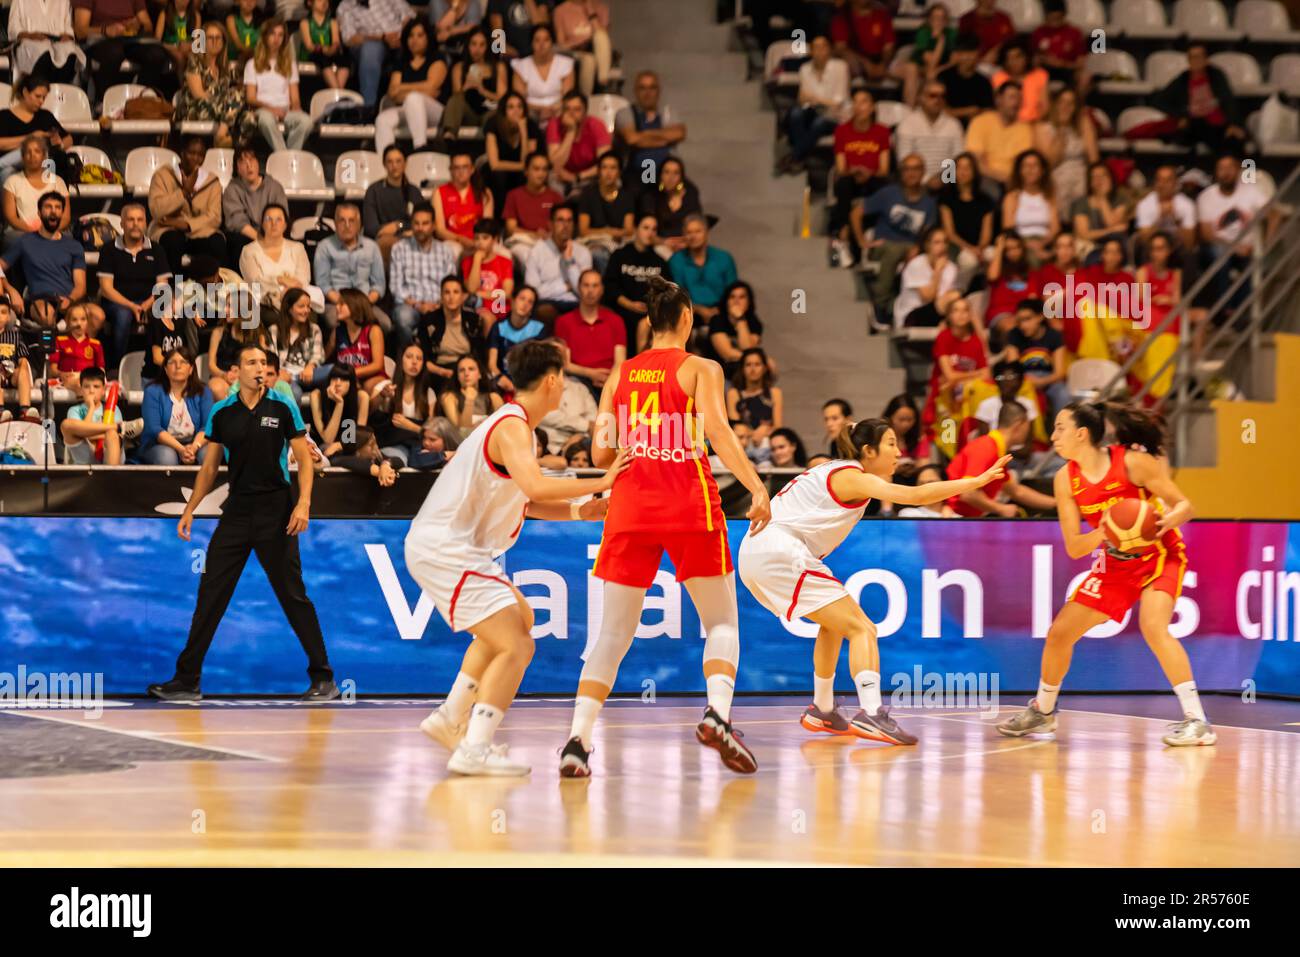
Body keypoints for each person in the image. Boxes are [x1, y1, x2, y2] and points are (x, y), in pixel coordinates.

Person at [558, 275, 772, 778]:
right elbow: (717, 432)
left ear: (650, 323)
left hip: (630, 506)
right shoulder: (701, 367)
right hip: (688, 503)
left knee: (611, 635)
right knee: (721, 623)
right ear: (687, 320)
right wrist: (757, 486)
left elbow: (601, 454)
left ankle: (576, 741)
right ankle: (718, 714)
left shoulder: (620, 374)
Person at [406, 338, 625, 776]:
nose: (564, 387)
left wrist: (585, 510)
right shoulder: (512, 427)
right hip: (447, 548)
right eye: (563, 378)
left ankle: (451, 716)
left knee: (519, 620)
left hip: (453, 548)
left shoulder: (513, 426)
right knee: (518, 644)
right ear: (551, 380)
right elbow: (540, 486)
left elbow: (529, 500)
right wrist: (602, 478)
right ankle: (474, 747)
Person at [740, 419, 1009, 743]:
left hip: (762, 552)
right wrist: (975, 481)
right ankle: (871, 713)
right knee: (862, 628)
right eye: (891, 443)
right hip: (779, 551)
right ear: (868, 450)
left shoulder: (842, 470)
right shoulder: (853, 476)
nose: (898, 451)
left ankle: (822, 709)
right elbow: (915, 495)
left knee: (835, 625)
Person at [997, 402, 1216, 747]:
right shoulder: (1064, 479)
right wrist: (1107, 529)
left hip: (1159, 554)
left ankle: (1197, 721)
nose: (1052, 436)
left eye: (1059, 428)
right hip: (1114, 563)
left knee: (1154, 627)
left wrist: (1171, 518)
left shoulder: (1131, 462)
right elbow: (1074, 547)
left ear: (1081, 434)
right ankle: (1043, 711)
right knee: (1059, 634)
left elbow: (1185, 505)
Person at [147, 343, 338, 702]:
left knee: (293, 595)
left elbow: (303, 457)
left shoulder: (282, 406)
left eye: (264, 362)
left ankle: (323, 678)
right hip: (236, 512)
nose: (259, 368)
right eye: (251, 362)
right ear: (236, 372)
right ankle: (187, 681)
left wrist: (304, 504)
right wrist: (190, 509)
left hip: (277, 512)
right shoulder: (222, 413)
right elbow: (209, 467)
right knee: (210, 594)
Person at [855, 154, 937, 322]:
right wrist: (861, 241)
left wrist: (918, 248)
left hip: (911, 248)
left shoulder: (929, 203)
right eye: (906, 169)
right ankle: (880, 304)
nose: (911, 173)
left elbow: (927, 234)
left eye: (915, 169)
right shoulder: (888, 193)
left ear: (923, 172)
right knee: (894, 250)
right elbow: (855, 213)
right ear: (901, 173)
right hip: (883, 246)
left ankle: (910, 312)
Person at [98, 202, 171, 372]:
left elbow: (162, 286)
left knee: (163, 314)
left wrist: (146, 305)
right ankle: (116, 367)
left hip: (148, 301)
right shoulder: (108, 250)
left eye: (140, 219)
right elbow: (106, 288)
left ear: (146, 223)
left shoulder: (157, 249)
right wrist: (131, 306)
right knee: (123, 316)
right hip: (117, 302)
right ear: (122, 224)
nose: (135, 224)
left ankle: (157, 367)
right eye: (130, 220)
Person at [946, 402, 1054, 515]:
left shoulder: (997, 451)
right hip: (954, 518)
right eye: (1028, 425)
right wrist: (1000, 508)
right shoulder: (986, 448)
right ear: (1018, 425)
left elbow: (1017, 492)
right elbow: (968, 493)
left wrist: (1056, 503)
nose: (1029, 432)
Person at [0, 191, 85, 330]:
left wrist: (70, 300)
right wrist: (11, 291)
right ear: (39, 213)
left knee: (97, 315)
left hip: (69, 301)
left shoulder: (74, 246)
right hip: (39, 300)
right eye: (48, 207)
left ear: (62, 213)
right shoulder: (25, 241)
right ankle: (49, 351)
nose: (53, 211)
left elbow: (81, 285)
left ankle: (80, 351)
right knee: (46, 314)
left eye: (58, 207)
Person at [827, 89, 892, 267]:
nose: (858, 106)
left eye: (863, 102)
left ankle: (878, 234)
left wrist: (869, 173)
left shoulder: (882, 132)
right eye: (855, 102)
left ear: (872, 108)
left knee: (884, 185)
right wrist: (854, 171)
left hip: (873, 178)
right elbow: (841, 168)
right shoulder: (842, 131)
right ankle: (844, 233)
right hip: (851, 179)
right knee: (843, 184)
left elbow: (884, 169)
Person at [148, 136, 225, 273]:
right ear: (182, 152)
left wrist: (186, 225)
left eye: (200, 155)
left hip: (198, 231)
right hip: (167, 230)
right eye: (191, 153)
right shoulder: (162, 176)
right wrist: (183, 192)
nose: (195, 158)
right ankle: (174, 289)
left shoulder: (212, 181)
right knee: (173, 241)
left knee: (216, 241)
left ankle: (209, 290)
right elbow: (157, 210)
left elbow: (215, 217)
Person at [1152, 43, 1246, 155]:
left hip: (1217, 124)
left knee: (1235, 141)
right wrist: (1180, 115)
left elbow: (1228, 100)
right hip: (1194, 124)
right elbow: (1159, 101)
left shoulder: (1216, 76)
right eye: (1191, 57)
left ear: (1206, 59)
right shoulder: (1183, 79)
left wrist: (1233, 124)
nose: (1194, 61)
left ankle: (1242, 170)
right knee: (1194, 128)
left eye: (1198, 57)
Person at [73, 0, 176, 99]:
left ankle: (139, 98)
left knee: (157, 54)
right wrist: (106, 30)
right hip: (100, 39)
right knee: (114, 53)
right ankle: (103, 99)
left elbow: (148, 25)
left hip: (130, 40)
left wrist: (138, 26)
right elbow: (80, 30)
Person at [374, 19, 448, 156]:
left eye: (420, 35)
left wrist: (403, 88)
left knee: (413, 99)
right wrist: (422, 88)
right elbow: (393, 93)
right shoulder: (401, 62)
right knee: (382, 119)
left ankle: (420, 148)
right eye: (411, 36)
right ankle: (387, 163)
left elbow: (432, 87)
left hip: (436, 112)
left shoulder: (437, 58)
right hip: (408, 109)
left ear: (428, 37)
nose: (415, 40)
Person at [314, 202, 390, 334]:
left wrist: (361, 305)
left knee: (385, 324)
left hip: (365, 303)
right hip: (335, 304)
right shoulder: (324, 247)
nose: (347, 225)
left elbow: (379, 285)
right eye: (342, 220)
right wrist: (345, 304)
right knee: (334, 322)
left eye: (352, 221)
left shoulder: (371, 247)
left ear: (359, 224)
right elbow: (323, 284)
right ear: (335, 223)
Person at [390, 201, 459, 345]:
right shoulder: (399, 248)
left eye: (425, 223)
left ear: (433, 225)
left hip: (439, 306)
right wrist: (418, 305)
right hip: (410, 306)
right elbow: (396, 288)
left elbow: (451, 284)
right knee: (403, 317)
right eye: (416, 223)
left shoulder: (445, 251)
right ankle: (410, 357)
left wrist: (438, 305)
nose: (420, 228)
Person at [781, 34, 850, 173]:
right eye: (816, 47)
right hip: (814, 112)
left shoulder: (840, 67)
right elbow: (803, 100)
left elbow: (838, 103)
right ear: (811, 51)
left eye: (824, 46)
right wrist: (815, 100)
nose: (820, 50)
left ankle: (796, 157)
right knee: (795, 113)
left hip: (836, 116)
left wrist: (814, 98)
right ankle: (799, 157)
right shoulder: (804, 69)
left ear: (829, 50)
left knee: (819, 122)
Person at [554, 268, 625, 398]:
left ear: (602, 289)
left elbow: (620, 361)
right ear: (579, 288)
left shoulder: (615, 320)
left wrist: (609, 381)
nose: (590, 290)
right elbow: (566, 364)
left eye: (595, 285)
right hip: (577, 380)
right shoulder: (564, 321)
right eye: (586, 285)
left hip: (610, 381)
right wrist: (591, 374)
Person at [138, 346, 215, 465]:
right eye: (172, 362)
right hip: (159, 445)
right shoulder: (152, 391)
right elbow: (155, 429)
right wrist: (181, 449)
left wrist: (193, 447)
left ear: (191, 369)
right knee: (167, 457)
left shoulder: (204, 391)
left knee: (208, 454)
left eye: (183, 362)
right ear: (165, 369)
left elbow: (207, 427)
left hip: (195, 443)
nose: (178, 366)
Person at [179, 21, 250, 149]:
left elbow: (241, 89)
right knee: (235, 95)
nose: (214, 41)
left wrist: (228, 100)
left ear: (223, 42)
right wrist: (226, 100)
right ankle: (221, 138)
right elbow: (199, 95)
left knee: (249, 117)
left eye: (218, 38)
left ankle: (237, 152)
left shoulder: (225, 68)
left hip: (220, 112)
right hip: (196, 109)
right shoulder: (194, 61)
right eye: (210, 38)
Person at [245, 17, 311, 151]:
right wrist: (271, 109)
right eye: (273, 34)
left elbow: (295, 98)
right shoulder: (252, 64)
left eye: (280, 35)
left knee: (307, 121)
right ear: (265, 37)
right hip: (263, 110)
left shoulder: (290, 64)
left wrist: (296, 109)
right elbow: (251, 98)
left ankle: (289, 154)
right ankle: (284, 157)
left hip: (285, 110)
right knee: (266, 120)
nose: (276, 39)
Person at [602, 212, 666, 349]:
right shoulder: (619, 256)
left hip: (649, 313)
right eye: (646, 227)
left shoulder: (659, 261)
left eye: (654, 229)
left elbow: (666, 290)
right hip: (622, 309)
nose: (650, 232)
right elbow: (610, 286)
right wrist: (630, 304)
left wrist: (651, 308)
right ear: (636, 229)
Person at [615, 69, 686, 189]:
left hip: (665, 177)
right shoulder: (625, 113)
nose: (648, 93)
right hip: (636, 177)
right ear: (636, 91)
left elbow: (679, 133)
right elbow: (632, 139)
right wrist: (664, 138)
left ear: (658, 91)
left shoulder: (667, 113)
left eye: (652, 88)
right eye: (642, 88)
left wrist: (643, 135)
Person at [0, 76, 74, 189]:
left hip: (42, 164)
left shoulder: (45, 116)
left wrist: (60, 145)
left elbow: (68, 138)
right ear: (25, 92)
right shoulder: (4, 116)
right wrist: (31, 137)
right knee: (8, 173)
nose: (41, 101)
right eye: (38, 96)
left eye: (44, 97)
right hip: (14, 166)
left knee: (40, 153)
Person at [338, 0, 416, 106]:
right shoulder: (345, 7)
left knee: (416, 37)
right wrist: (382, 37)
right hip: (373, 43)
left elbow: (409, 14)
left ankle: (414, 102)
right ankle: (368, 108)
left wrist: (400, 36)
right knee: (371, 49)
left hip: (400, 36)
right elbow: (349, 38)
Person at [223, 148, 290, 269]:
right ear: (237, 168)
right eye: (243, 162)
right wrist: (261, 240)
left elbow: (282, 216)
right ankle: (242, 286)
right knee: (237, 243)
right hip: (247, 236)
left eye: (252, 159)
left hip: (272, 232)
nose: (249, 165)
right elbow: (238, 222)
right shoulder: (232, 189)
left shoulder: (274, 187)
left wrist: (270, 238)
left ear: (258, 163)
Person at [1036, 87, 1097, 219]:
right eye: (1062, 102)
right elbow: (1049, 163)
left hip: (1081, 176)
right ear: (1055, 104)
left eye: (1070, 103)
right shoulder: (1042, 128)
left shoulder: (1083, 124)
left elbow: (1094, 160)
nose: (1066, 107)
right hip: (1056, 176)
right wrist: (1061, 131)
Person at [415, 274, 487, 385]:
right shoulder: (429, 321)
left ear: (463, 296)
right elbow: (423, 357)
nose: (451, 297)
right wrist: (441, 371)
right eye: (447, 292)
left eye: (456, 292)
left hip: (465, 370)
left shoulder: (473, 320)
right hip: (438, 371)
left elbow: (480, 354)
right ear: (441, 296)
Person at [524, 203, 591, 322]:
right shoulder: (536, 252)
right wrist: (565, 287)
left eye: (569, 221)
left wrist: (570, 262)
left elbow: (586, 293)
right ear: (550, 224)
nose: (565, 225)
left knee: (605, 313)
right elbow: (532, 293)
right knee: (546, 312)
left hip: (576, 303)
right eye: (560, 220)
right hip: (548, 303)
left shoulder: (583, 252)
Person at [239, 203, 312, 312]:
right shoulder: (249, 251)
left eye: (279, 219)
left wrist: (287, 293)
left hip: (296, 302)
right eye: (268, 219)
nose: (273, 224)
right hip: (264, 304)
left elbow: (302, 280)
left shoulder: (297, 248)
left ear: (285, 225)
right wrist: (280, 279)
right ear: (262, 224)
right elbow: (255, 283)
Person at [2, 135, 71, 250]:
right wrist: (34, 230)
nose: (32, 155)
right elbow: (11, 218)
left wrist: (47, 230)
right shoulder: (12, 181)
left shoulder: (58, 182)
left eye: (37, 151)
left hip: (53, 230)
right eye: (28, 152)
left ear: (44, 156)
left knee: (67, 238)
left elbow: (65, 218)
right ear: (23, 157)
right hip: (23, 231)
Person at [938, 151, 995, 290]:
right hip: (957, 246)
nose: (963, 171)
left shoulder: (985, 200)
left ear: (974, 172)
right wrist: (971, 249)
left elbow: (987, 233)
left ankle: (991, 295)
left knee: (994, 254)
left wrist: (979, 249)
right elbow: (949, 233)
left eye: (968, 167)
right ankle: (958, 291)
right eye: (959, 167)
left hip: (980, 246)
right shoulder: (946, 198)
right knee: (969, 260)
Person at [666, 214, 736, 324]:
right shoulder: (676, 260)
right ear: (684, 235)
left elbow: (734, 291)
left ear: (707, 232)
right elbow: (677, 295)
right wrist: (699, 309)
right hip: (689, 312)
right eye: (689, 232)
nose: (693, 236)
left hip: (721, 311)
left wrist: (722, 310)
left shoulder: (724, 258)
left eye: (698, 231)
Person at [965, 81, 1033, 193]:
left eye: (1019, 98)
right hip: (986, 177)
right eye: (1012, 97)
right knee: (990, 189)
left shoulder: (1025, 129)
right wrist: (1002, 177)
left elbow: (1022, 163)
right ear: (998, 100)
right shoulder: (980, 122)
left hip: (1014, 180)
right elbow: (976, 162)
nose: (1016, 103)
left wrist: (1014, 180)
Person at [372, 341, 435, 463]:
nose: (414, 362)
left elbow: (431, 432)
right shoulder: (385, 385)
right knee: (397, 458)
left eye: (419, 359)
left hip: (416, 444)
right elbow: (367, 411)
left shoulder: (428, 393)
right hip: (390, 442)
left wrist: (410, 426)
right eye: (409, 356)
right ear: (401, 360)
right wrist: (381, 396)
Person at [1005, 297, 1070, 415]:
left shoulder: (1054, 336)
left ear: (1040, 317)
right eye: (1020, 321)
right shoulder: (1014, 335)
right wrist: (1027, 381)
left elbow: (1060, 373)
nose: (1023, 325)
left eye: (1028, 319)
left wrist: (1041, 382)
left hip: (1049, 380)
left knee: (1063, 394)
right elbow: (1013, 368)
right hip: (1024, 379)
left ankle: (1062, 429)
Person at [896, 82, 963, 190]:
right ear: (920, 98)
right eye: (933, 95)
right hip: (914, 183)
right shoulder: (907, 124)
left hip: (947, 184)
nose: (938, 100)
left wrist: (944, 180)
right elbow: (904, 160)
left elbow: (957, 158)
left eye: (942, 96)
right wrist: (926, 180)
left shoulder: (954, 125)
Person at [442, 26, 508, 134]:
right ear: (468, 45)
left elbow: (503, 98)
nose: (477, 49)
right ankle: (449, 136)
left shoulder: (498, 67)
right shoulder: (459, 67)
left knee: (495, 115)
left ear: (487, 47)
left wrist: (482, 90)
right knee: (456, 100)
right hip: (468, 114)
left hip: (489, 112)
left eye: (482, 45)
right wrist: (465, 87)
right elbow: (455, 100)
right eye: (473, 44)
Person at [364, 146, 425, 264]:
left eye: (398, 161)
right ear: (384, 164)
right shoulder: (374, 191)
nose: (394, 166)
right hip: (384, 241)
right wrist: (403, 229)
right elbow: (371, 229)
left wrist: (398, 226)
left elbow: (422, 221)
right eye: (390, 161)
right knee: (386, 243)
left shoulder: (414, 191)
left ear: (405, 163)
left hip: (412, 237)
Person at [484, 91, 540, 210]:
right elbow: (494, 164)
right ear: (504, 111)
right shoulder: (493, 124)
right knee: (499, 176)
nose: (516, 111)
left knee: (527, 176)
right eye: (511, 107)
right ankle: (500, 220)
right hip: (498, 170)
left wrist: (523, 131)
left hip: (518, 171)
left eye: (520, 106)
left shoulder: (530, 125)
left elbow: (528, 160)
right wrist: (522, 166)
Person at [546, 90, 612, 192]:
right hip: (563, 175)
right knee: (552, 178)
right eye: (567, 109)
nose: (571, 114)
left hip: (590, 176)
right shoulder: (554, 124)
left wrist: (577, 177)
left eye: (577, 109)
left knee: (611, 177)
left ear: (585, 112)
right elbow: (556, 164)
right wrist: (571, 132)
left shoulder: (596, 125)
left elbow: (605, 163)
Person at [60, 365, 126, 464]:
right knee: (66, 424)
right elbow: (80, 433)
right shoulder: (74, 410)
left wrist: (90, 434)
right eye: (86, 387)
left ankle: (113, 476)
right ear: (81, 389)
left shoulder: (114, 409)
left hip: (107, 454)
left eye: (96, 387)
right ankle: (117, 426)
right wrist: (91, 408)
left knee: (112, 434)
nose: (91, 391)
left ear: (103, 390)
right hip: (84, 455)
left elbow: (119, 437)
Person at [9, 0, 85, 84]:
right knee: (43, 51)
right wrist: (30, 36)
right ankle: (40, 90)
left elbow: (68, 25)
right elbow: (13, 27)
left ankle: (60, 88)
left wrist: (68, 36)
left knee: (70, 51)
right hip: (29, 41)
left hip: (57, 42)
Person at [1002, 149, 1058, 262]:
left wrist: (1041, 244)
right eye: (1026, 166)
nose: (1030, 169)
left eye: (1034, 165)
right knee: (1033, 257)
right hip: (1020, 243)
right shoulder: (1012, 197)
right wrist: (1028, 245)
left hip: (1045, 241)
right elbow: (1008, 228)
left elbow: (1055, 228)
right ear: (1020, 171)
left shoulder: (1049, 197)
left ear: (1042, 171)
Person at [326, 287, 387, 392]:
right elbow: (323, 357)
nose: (337, 307)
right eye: (337, 304)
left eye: (341, 304)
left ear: (355, 306)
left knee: (366, 388)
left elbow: (378, 365)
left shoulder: (373, 330)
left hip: (372, 377)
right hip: (346, 378)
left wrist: (351, 373)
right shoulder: (337, 332)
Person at [503, 151, 562, 257]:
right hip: (523, 242)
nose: (541, 174)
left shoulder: (555, 197)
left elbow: (562, 225)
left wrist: (549, 235)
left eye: (544, 169)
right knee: (527, 255)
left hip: (549, 241)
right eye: (536, 169)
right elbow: (511, 228)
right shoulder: (514, 195)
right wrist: (534, 234)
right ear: (526, 171)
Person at [727, 347, 782, 461]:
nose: (753, 369)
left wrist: (764, 431)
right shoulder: (734, 393)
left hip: (766, 442)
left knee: (772, 443)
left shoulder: (774, 393)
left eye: (757, 364)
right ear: (742, 368)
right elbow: (735, 426)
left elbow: (778, 427)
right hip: (742, 442)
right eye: (748, 365)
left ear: (765, 368)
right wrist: (755, 433)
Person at [510, 23, 574, 119]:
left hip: (558, 111)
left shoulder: (565, 64)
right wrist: (541, 110)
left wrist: (553, 109)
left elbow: (567, 97)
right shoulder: (520, 66)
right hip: (530, 112)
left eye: (546, 40)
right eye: (537, 40)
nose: (541, 44)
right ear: (531, 43)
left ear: (552, 42)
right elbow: (519, 101)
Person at [637, 156, 701, 252]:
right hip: (658, 245)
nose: (670, 178)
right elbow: (645, 231)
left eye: (676, 173)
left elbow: (697, 224)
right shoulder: (651, 196)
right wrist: (664, 242)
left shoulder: (690, 195)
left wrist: (686, 242)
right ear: (660, 175)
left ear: (681, 177)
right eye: (666, 172)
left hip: (686, 245)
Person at [486, 286, 543, 390]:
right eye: (522, 298)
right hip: (503, 382)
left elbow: (540, 367)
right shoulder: (499, 327)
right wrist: (500, 378)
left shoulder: (539, 330)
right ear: (512, 301)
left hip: (529, 385)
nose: (525, 304)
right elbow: (491, 364)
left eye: (530, 302)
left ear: (532, 309)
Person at [706, 280, 765, 379]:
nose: (736, 301)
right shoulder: (717, 320)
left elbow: (747, 348)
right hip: (719, 370)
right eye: (732, 297)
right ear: (726, 301)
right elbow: (727, 354)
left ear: (749, 302)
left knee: (769, 366)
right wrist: (757, 360)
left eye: (742, 297)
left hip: (743, 370)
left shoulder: (754, 322)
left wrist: (740, 319)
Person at [275, 287, 325, 402]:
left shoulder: (314, 329)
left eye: (308, 306)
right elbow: (271, 356)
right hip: (286, 376)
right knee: (295, 393)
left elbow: (318, 355)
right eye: (301, 306)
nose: (306, 310)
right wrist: (279, 371)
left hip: (308, 374)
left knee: (336, 371)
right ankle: (297, 421)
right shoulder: (275, 330)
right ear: (289, 308)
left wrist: (311, 366)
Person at [553, 0, 611, 97]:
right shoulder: (561, 10)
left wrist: (591, 11)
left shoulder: (601, 8)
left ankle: (603, 80)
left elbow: (603, 37)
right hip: (574, 50)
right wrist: (579, 43)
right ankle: (585, 98)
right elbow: (561, 44)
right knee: (589, 60)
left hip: (595, 49)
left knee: (600, 35)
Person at [310, 361, 367, 456]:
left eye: (344, 379)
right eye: (334, 378)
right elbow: (328, 439)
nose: (338, 383)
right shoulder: (317, 395)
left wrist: (339, 445)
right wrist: (339, 403)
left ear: (351, 382)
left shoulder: (361, 397)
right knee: (330, 452)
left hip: (350, 445)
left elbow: (360, 437)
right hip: (322, 446)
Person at [462, 217, 514, 322]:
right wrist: (477, 260)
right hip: (476, 310)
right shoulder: (467, 262)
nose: (480, 242)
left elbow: (506, 293)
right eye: (477, 238)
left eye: (485, 238)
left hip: (499, 310)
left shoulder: (505, 262)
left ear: (495, 239)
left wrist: (478, 293)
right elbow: (471, 288)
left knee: (488, 318)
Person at [937, 32, 994, 125]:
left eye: (971, 53)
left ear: (978, 54)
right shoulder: (943, 77)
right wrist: (968, 111)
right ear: (956, 54)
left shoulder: (984, 82)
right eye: (963, 53)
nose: (967, 57)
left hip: (975, 127)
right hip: (945, 127)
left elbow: (988, 112)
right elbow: (939, 109)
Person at [830, 0, 894, 82]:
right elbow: (841, 48)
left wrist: (883, 65)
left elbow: (889, 46)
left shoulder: (882, 15)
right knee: (846, 61)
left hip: (881, 60)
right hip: (856, 61)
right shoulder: (842, 17)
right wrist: (866, 64)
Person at [440, 354, 503, 433]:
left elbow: (502, 428)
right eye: (461, 370)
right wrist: (469, 400)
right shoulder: (449, 397)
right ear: (457, 376)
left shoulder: (494, 398)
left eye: (471, 369)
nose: (466, 373)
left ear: (480, 374)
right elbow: (463, 433)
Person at [0, 297, 39, 422]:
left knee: (23, 370)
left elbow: (23, 359)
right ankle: (1, 412)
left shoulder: (15, 336)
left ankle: (25, 411)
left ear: (8, 317)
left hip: (11, 374)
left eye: (3, 312)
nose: (0, 316)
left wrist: (21, 367)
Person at [992, 39, 1048, 125]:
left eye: (1018, 57)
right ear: (1005, 61)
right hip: (1008, 124)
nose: (1014, 61)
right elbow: (998, 107)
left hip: (1035, 124)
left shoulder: (1040, 75)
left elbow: (1044, 107)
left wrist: (1034, 124)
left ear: (1026, 57)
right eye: (1009, 58)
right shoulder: (998, 78)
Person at [54, 301, 105, 395]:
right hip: (69, 379)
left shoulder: (95, 344)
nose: (79, 323)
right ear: (68, 322)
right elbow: (52, 369)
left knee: (95, 386)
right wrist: (61, 374)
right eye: (74, 320)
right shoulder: (60, 341)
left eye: (83, 319)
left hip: (90, 379)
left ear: (88, 322)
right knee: (81, 384)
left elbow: (101, 370)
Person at [298, 0, 350, 91]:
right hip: (312, 54)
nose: (324, 2)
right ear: (310, 3)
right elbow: (309, 45)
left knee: (345, 61)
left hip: (329, 52)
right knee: (323, 60)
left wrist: (333, 48)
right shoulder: (305, 23)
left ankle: (338, 91)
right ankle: (337, 92)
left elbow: (336, 41)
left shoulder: (332, 22)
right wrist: (324, 49)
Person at [1031, 0, 1086, 88]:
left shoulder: (1074, 33)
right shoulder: (1039, 32)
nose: (1054, 23)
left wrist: (1062, 64)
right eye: (1051, 19)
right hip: (1045, 70)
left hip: (1068, 71)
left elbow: (1081, 63)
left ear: (1064, 15)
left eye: (1057, 18)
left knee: (1084, 77)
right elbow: (1033, 59)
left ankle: (1076, 101)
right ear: (1046, 16)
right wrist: (1042, 60)